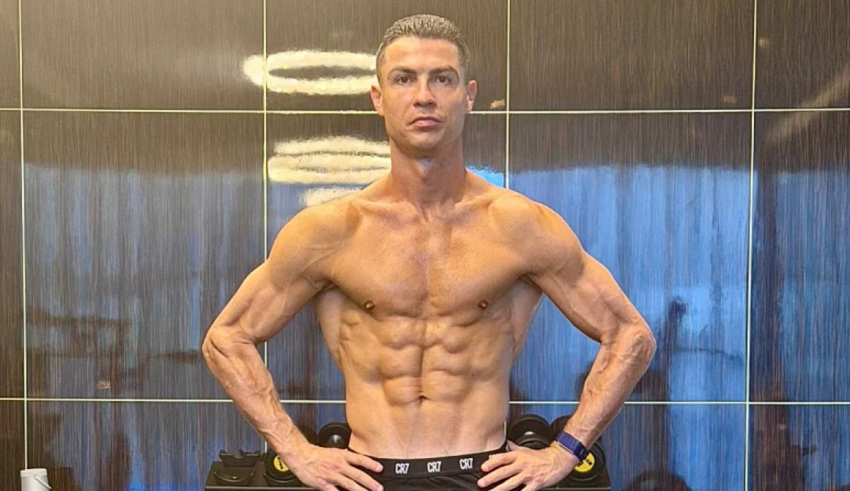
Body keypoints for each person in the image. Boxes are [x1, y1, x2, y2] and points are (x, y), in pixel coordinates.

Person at [203, 14, 656, 491]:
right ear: (378, 97)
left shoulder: (518, 226)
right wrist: (296, 451)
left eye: (442, 79)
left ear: (469, 95)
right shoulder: (331, 231)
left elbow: (630, 336)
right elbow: (226, 339)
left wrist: (565, 452)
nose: (424, 96)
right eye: (404, 79)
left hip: (483, 474)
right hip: (369, 475)